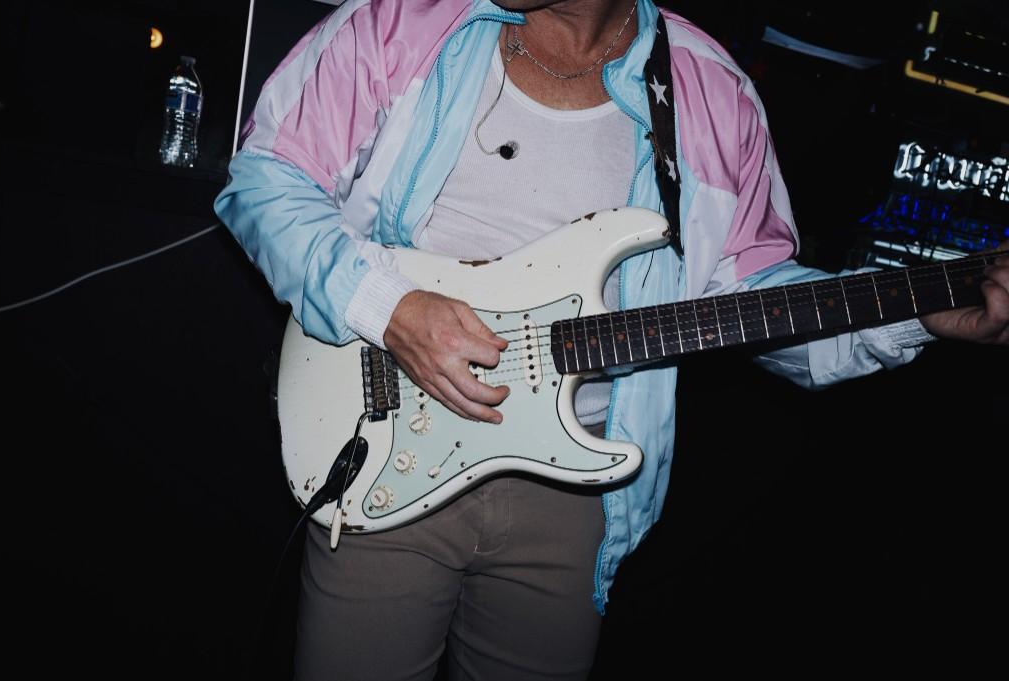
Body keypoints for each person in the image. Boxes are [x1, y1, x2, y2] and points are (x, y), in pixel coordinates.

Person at [214, 1, 1009, 678]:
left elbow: (752, 295)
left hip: (575, 498)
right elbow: (265, 178)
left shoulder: (709, 93)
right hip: (386, 441)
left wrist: (916, 310)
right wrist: (390, 308)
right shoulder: (403, 22)